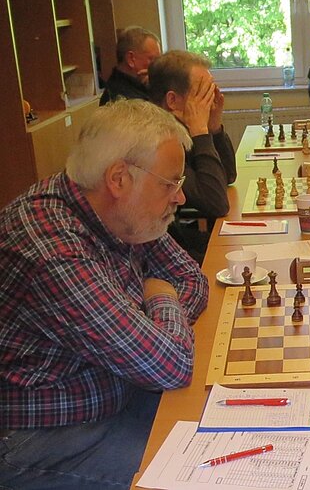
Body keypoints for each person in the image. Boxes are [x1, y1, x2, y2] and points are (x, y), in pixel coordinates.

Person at [0, 100, 209, 490]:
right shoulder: (50, 248)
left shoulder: (120, 211)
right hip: (43, 438)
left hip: (123, 393)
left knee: (222, 424)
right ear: (119, 179)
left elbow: (191, 279)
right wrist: (160, 296)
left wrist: (152, 325)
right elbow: (171, 365)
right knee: (202, 475)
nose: (180, 198)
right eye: (170, 183)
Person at [148, 50, 237, 262]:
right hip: (164, 253)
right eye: (202, 92)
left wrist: (214, 128)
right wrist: (200, 132)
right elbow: (216, 202)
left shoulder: (177, 128)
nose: (211, 98)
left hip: (179, 239)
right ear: (172, 100)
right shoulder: (158, 140)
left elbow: (228, 176)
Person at [99, 26, 162, 105]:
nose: (157, 65)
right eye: (152, 59)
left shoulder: (141, 85)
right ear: (131, 59)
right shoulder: (122, 100)